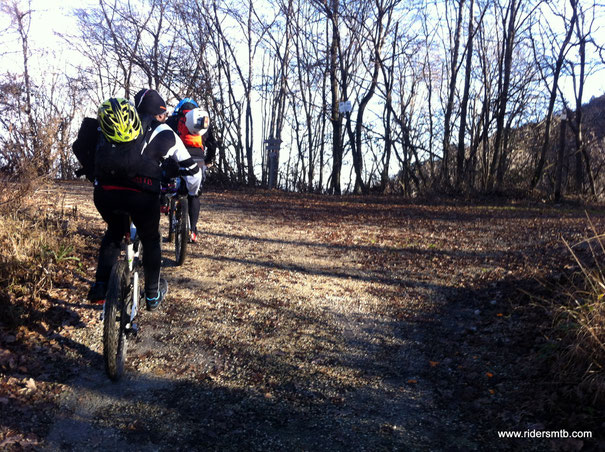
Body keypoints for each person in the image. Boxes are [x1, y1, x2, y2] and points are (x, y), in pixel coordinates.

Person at [88, 91, 201, 311]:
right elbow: (193, 172)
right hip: (141, 196)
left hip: (106, 194)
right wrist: (190, 191)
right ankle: (151, 294)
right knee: (150, 239)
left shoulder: (110, 126)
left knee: (114, 232)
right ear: (158, 114)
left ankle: (101, 287)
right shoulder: (165, 131)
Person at [166, 99, 217, 243]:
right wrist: (208, 160)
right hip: (198, 161)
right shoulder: (202, 121)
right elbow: (212, 144)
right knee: (194, 196)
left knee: (172, 187)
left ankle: (173, 210)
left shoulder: (174, 120)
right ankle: (192, 230)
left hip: (177, 159)